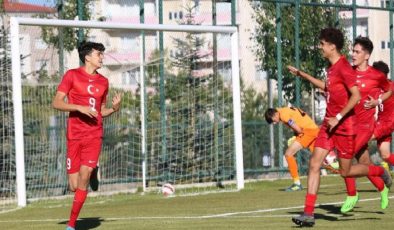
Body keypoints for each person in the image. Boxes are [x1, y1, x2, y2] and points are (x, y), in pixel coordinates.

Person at [287, 28, 389, 227]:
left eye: (322, 44)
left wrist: (339, 117)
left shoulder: (344, 68)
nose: (320, 47)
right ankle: (308, 214)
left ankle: (376, 171)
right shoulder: (332, 68)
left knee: (345, 171)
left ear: (332, 46)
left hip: (344, 127)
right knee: (314, 164)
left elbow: (356, 95)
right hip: (328, 125)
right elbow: (327, 88)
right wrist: (302, 75)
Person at [52, 41, 122, 230]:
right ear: (87, 57)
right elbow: (56, 103)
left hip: (94, 134)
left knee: (85, 174)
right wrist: (78, 107)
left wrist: (114, 109)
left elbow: (100, 111)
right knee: (74, 186)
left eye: (102, 54)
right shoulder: (72, 75)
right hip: (74, 135)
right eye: (99, 54)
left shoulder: (103, 82)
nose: (102, 57)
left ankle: (71, 225)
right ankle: (92, 173)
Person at [339, 37, 392, 214]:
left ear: (367, 55)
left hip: (365, 127)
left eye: (357, 51)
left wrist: (378, 101)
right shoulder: (348, 72)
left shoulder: (376, 76)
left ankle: (352, 194)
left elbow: (389, 90)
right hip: (349, 124)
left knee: (346, 157)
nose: (352, 54)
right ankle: (382, 187)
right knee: (364, 163)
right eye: (352, 51)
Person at [265, 107, 328, 191]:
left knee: (288, 154)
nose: (274, 123)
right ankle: (342, 170)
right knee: (320, 160)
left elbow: (295, 126)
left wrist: (297, 137)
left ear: (275, 114)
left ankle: (297, 184)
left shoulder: (283, 115)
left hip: (308, 132)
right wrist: (296, 136)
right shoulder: (283, 110)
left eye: (273, 120)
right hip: (313, 130)